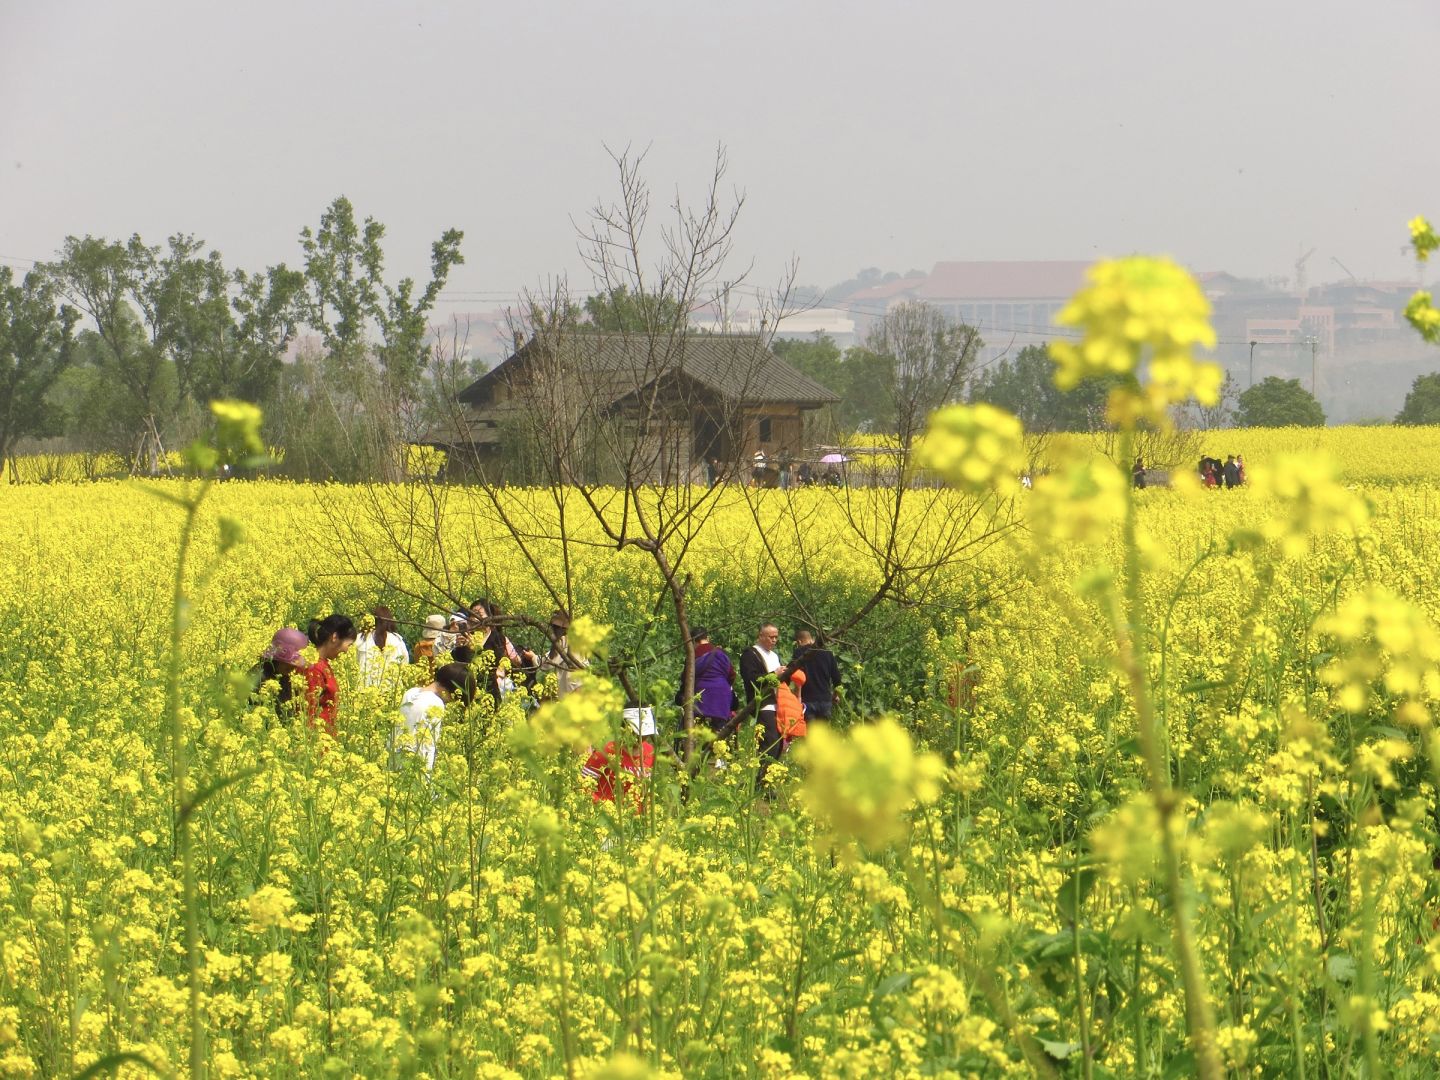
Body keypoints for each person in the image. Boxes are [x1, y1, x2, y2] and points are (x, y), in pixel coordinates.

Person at [390, 662, 474, 774]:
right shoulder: (435, 703)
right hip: (414, 771)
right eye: (455, 699)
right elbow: (427, 747)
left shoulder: (410, 692)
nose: (451, 703)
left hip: (394, 763)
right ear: (454, 691)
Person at [581, 705, 657, 811]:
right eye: (636, 732)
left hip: (634, 822)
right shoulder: (607, 751)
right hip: (607, 818)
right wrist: (603, 808)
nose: (641, 737)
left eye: (645, 732)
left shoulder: (650, 752)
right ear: (624, 728)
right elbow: (582, 784)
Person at [739, 622, 787, 783]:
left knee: (779, 742)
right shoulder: (750, 654)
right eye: (770, 637)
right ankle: (762, 779)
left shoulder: (774, 656)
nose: (774, 640)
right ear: (760, 636)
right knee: (770, 740)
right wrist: (774, 673)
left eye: (776, 637)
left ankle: (767, 778)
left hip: (778, 703)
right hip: (762, 703)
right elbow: (751, 678)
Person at [676, 625, 739, 747]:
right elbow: (731, 674)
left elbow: (686, 677)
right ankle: (720, 756)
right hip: (722, 695)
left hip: (701, 694)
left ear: (693, 641)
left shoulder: (693, 654)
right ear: (707, 638)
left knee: (697, 729)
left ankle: (693, 753)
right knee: (720, 730)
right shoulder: (721, 653)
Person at [305, 615, 357, 737]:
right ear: (334, 637)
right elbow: (308, 712)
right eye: (348, 645)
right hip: (316, 741)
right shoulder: (315, 668)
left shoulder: (323, 665)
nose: (346, 651)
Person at [249, 628, 309, 723]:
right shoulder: (258, 676)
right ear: (279, 658)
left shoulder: (282, 675)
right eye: (289, 664)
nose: (292, 668)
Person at [791, 628, 841, 721]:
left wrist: (797, 696)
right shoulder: (827, 653)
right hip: (825, 699)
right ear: (811, 639)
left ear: (799, 641)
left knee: (811, 734)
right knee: (823, 733)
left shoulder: (798, 653)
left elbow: (796, 676)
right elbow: (837, 677)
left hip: (807, 700)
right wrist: (835, 695)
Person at [356, 605, 410, 689]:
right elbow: (404, 667)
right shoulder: (397, 640)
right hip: (391, 690)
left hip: (364, 690)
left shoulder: (360, 639)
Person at [537, 609, 586, 700]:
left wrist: (533, 657)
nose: (552, 630)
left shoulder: (564, 641)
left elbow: (546, 664)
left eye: (554, 627)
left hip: (574, 691)